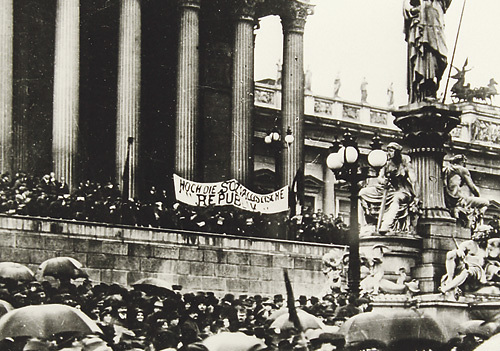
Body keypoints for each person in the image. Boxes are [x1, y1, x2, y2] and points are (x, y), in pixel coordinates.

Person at [359, 142, 418, 234]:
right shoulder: (387, 164)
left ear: (397, 152)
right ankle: (370, 221)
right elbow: (380, 177)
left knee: (396, 198)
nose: (388, 153)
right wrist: (383, 181)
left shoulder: (405, 164)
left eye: (391, 151)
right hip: (387, 190)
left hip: (402, 191)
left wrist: (416, 197)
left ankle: (386, 224)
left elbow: (414, 180)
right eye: (388, 151)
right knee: (363, 192)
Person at [403, 0, 453, 103]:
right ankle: (427, 87)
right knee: (425, 52)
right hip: (421, 15)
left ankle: (430, 84)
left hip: (434, 17)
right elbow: (407, 5)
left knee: (440, 56)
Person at [440, 225, 492, 297]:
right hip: (465, 265)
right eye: (485, 234)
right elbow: (460, 249)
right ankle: (449, 280)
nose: (486, 237)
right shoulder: (469, 244)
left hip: (477, 270)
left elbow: (489, 261)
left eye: (487, 235)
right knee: (451, 254)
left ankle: (446, 288)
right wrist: (460, 252)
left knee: (467, 272)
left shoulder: (487, 248)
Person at [443, 154, 490, 225]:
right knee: (485, 202)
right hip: (459, 199)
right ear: (462, 161)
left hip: (447, 199)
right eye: (464, 162)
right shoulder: (462, 170)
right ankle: (476, 224)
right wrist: (478, 195)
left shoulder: (446, 169)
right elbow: (472, 187)